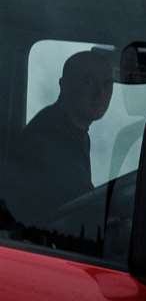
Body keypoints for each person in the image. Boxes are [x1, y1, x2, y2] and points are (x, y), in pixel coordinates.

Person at [8, 50, 115, 226]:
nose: (100, 93)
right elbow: (85, 208)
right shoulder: (47, 139)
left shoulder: (73, 130)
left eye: (107, 84)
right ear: (64, 85)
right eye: (88, 81)